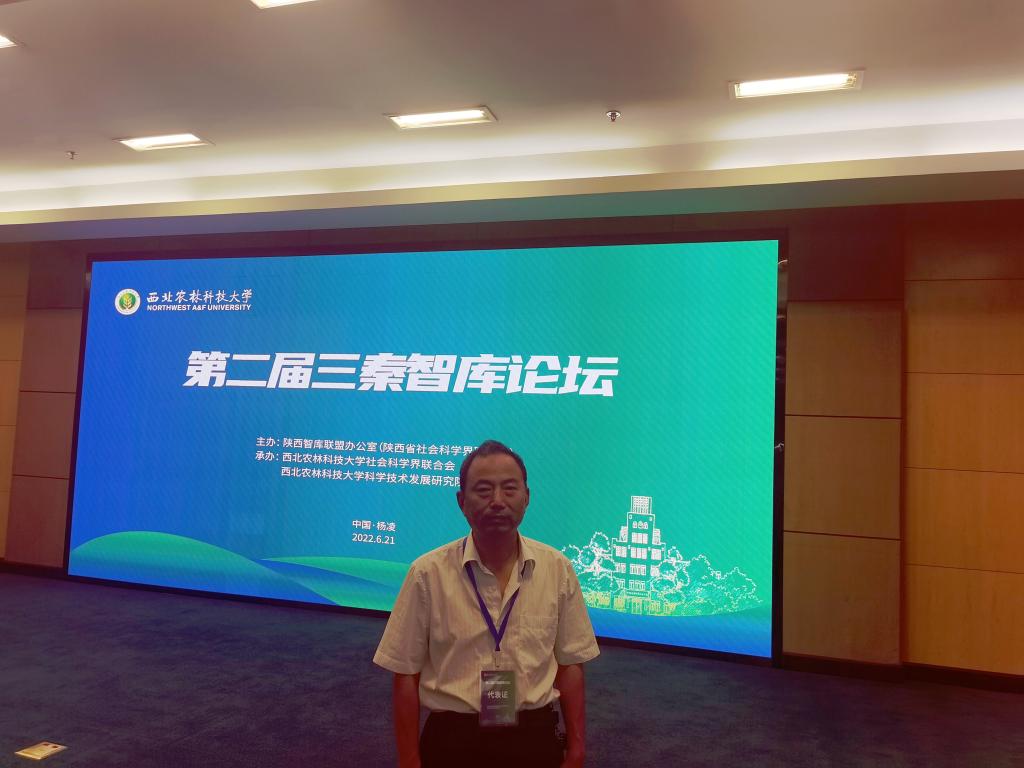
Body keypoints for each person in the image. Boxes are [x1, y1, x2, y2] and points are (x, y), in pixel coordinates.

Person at [373, 439, 600, 768]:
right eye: (483, 490)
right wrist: (409, 759)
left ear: (527, 497)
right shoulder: (427, 573)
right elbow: (405, 673)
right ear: (461, 502)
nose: (497, 501)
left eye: (509, 489)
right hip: (453, 738)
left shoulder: (557, 569)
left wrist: (577, 747)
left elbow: (570, 664)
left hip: (533, 735)